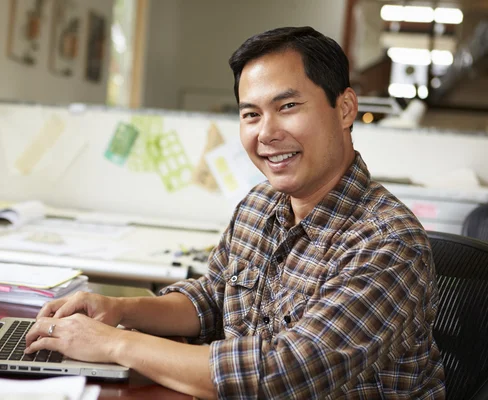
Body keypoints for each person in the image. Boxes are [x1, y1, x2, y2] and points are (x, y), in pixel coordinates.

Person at [25, 26, 446, 399]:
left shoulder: (387, 242)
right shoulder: (259, 204)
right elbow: (214, 300)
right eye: (251, 114)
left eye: (287, 107)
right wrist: (120, 310)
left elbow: (281, 375)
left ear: (345, 109)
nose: (266, 133)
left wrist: (113, 344)